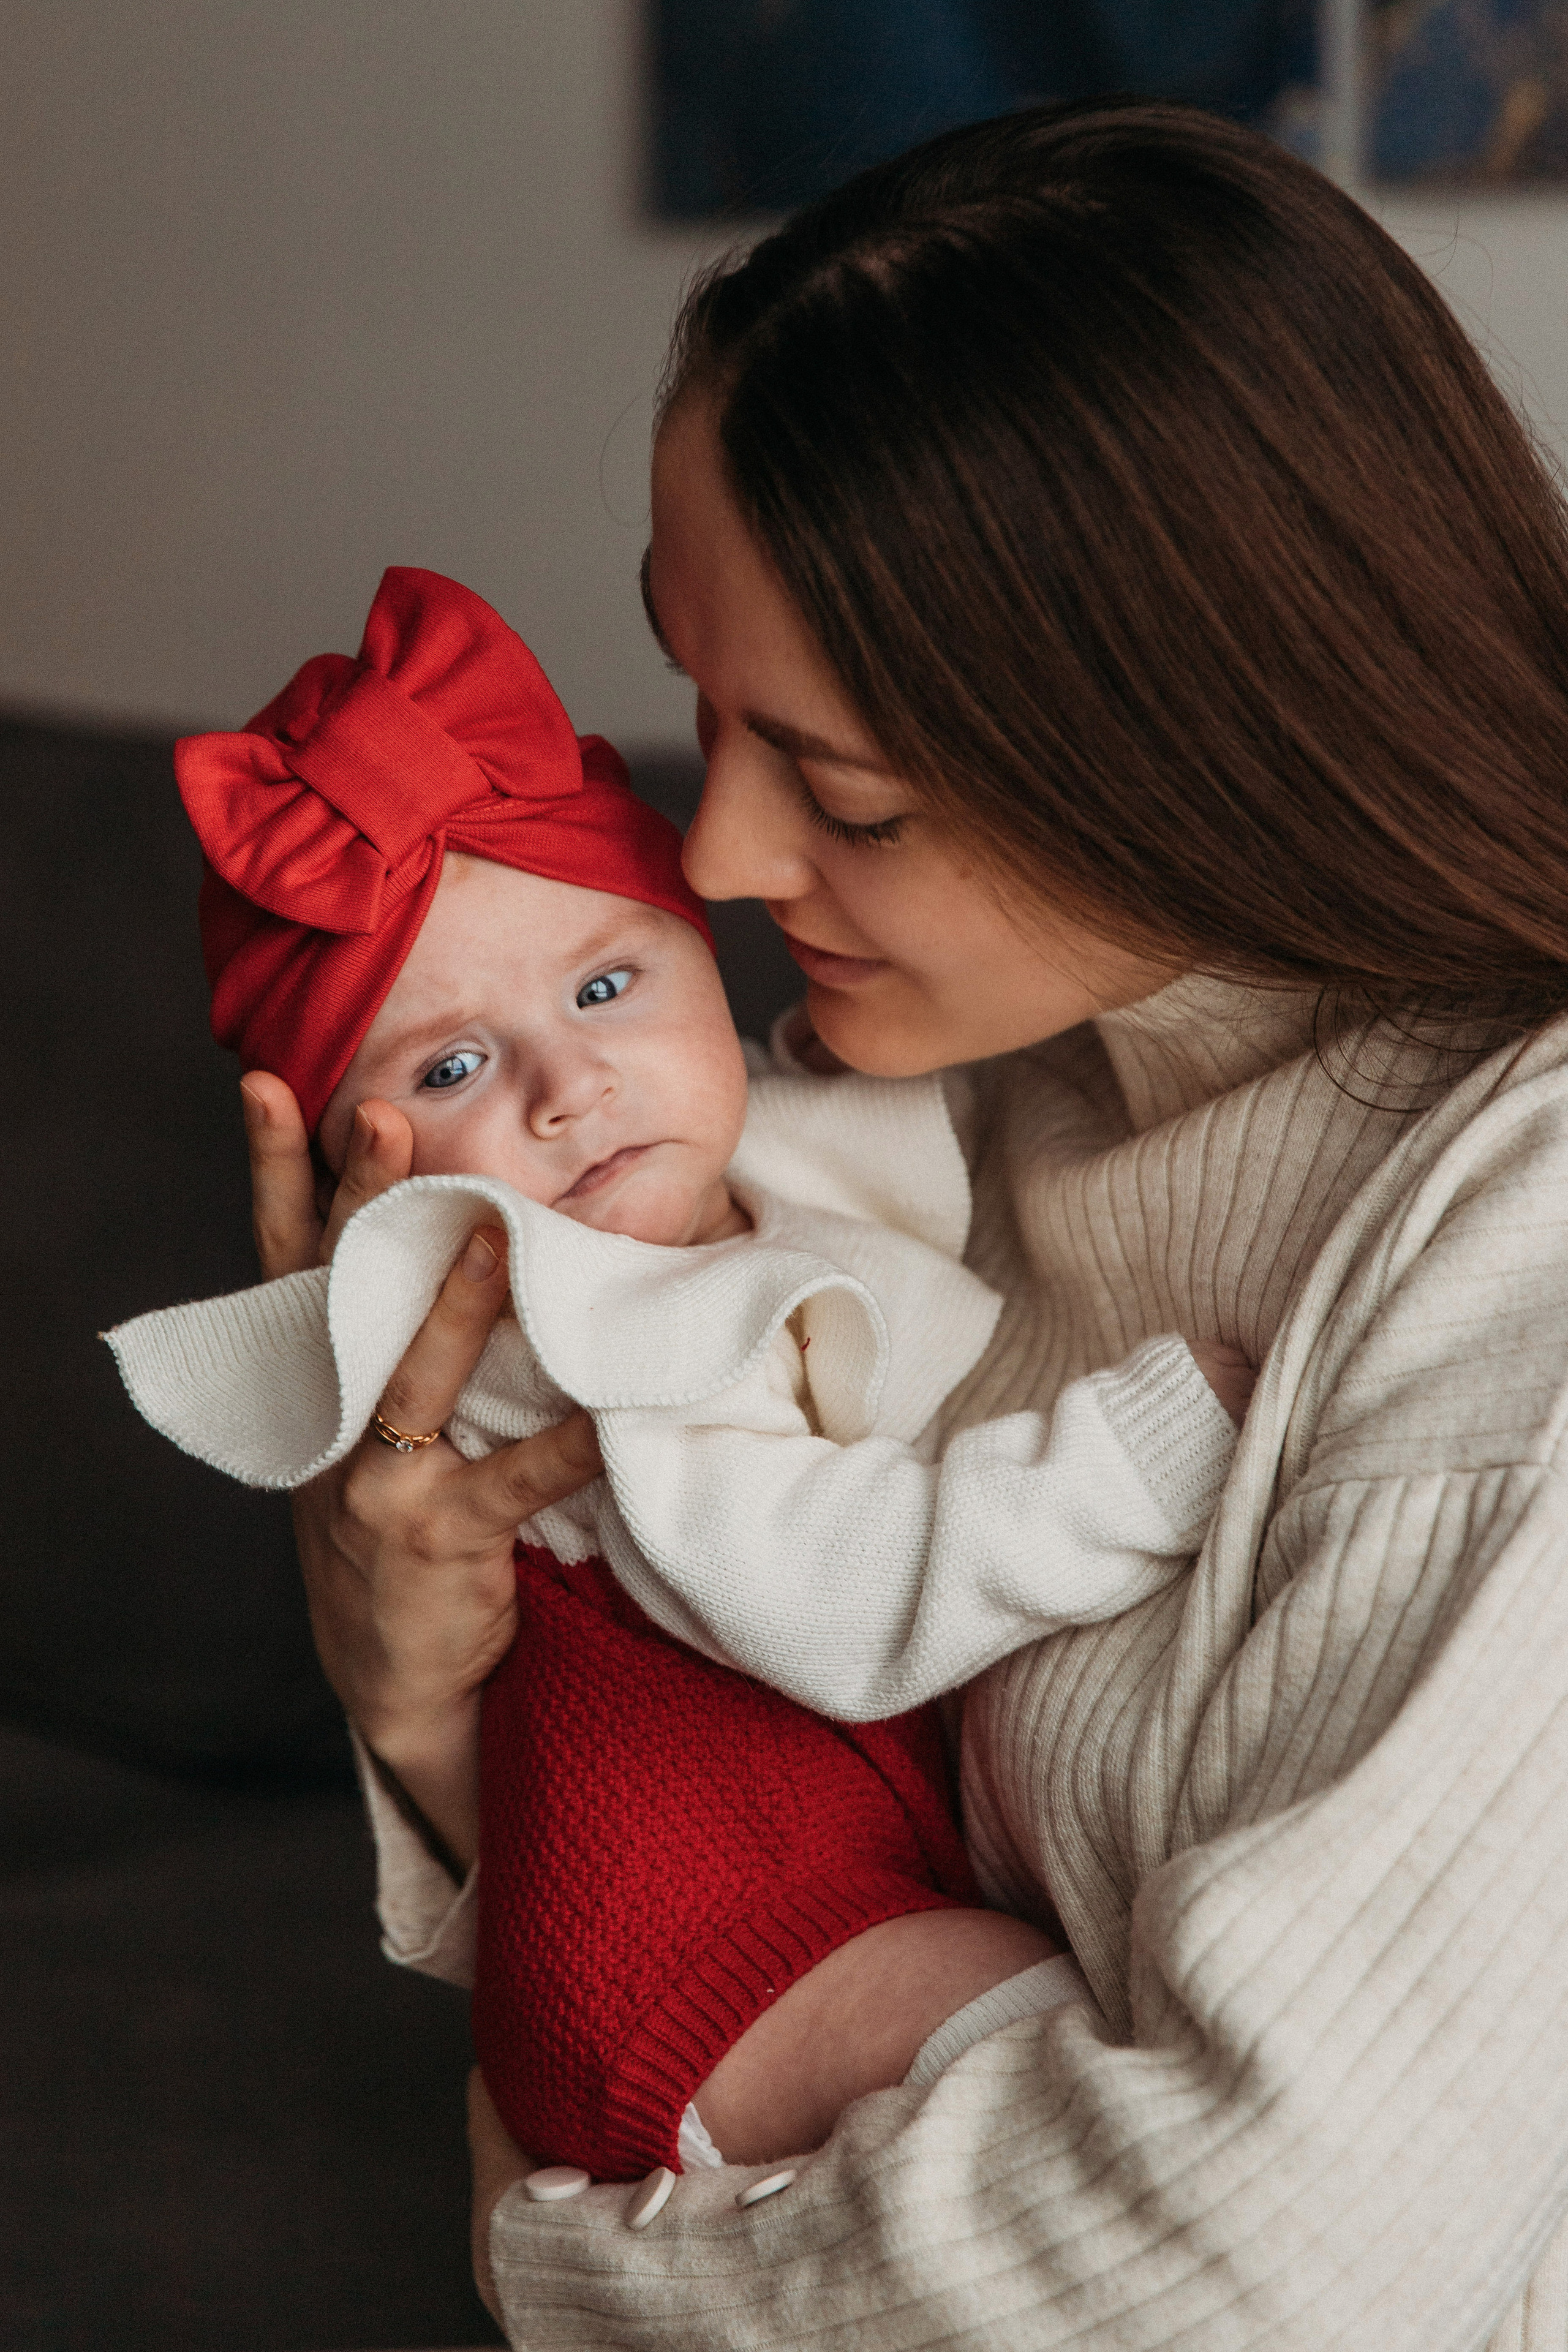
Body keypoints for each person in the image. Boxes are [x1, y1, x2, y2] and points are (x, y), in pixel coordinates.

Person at [238, 99, 1568, 2346]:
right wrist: (433, 1687)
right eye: (696, 707)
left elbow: (1268, 2280)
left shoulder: (1509, 1251)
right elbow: (755, 1831)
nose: (723, 858)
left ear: (1188, 737)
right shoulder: (931, 1110)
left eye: (842, 789)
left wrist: (552, 2250)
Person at [113, 562, 1248, 2184]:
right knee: (1112, 2092)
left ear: (708, 957)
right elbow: (839, 1602)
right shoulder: (572, 1321)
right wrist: (1130, 1464)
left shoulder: (787, 1153)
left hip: (816, 1891)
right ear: (379, 1181)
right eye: (450, 1065)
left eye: (604, 985)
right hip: (703, 1951)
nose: (570, 1086)